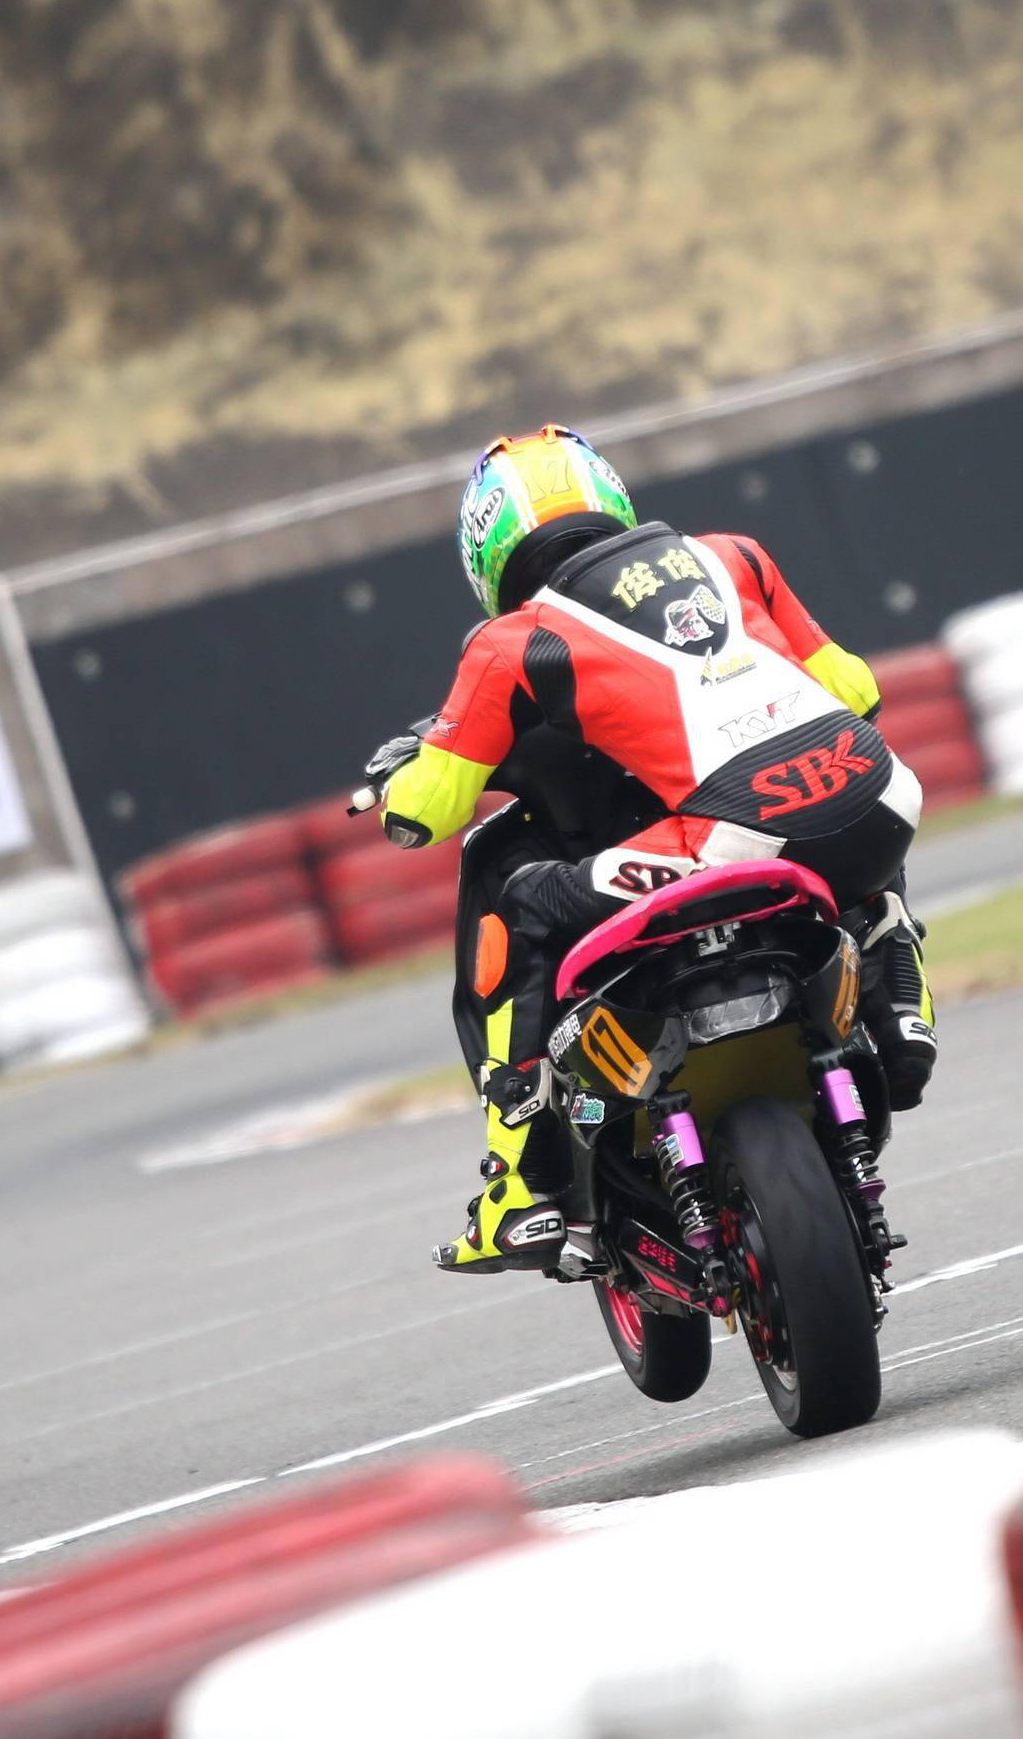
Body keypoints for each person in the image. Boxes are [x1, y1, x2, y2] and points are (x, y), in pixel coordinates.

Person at [367, 425, 937, 1274]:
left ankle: (521, 1183)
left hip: (725, 838)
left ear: (484, 553)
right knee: (847, 819)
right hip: (883, 790)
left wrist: (398, 776)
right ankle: (899, 998)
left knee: (521, 895)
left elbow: (424, 814)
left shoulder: (512, 641)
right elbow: (857, 689)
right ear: (612, 496)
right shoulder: (735, 554)